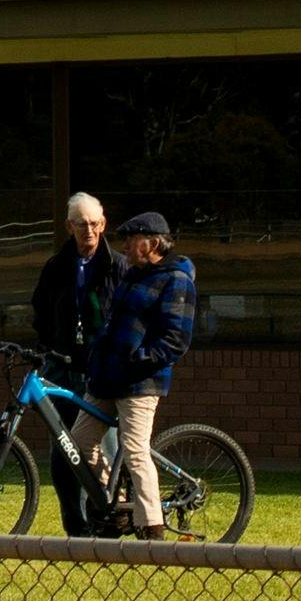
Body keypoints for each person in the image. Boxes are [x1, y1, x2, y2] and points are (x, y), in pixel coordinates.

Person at [86, 211, 200, 542]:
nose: (125, 246)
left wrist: (138, 360)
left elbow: (175, 340)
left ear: (152, 243)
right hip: (108, 377)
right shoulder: (133, 275)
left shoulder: (176, 280)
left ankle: (152, 529)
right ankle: (120, 507)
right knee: (78, 442)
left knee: (135, 448)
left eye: (131, 240)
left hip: (140, 382)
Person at [29, 194, 112, 373]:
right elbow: (41, 309)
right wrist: (48, 346)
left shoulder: (117, 266)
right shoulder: (55, 266)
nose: (89, 230)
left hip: (101, 361)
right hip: (61, 360)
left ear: (103, 224)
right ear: (69, 226)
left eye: (94, 223)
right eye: (82, 224)